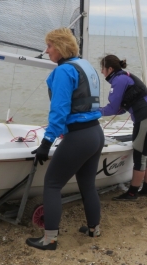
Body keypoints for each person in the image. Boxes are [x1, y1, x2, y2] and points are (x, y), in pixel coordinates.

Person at [25, 27, 104, 251]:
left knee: (51, 184)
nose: (47, 50)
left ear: (60, 47)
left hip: (79, 136)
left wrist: (46, 143)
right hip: (96, 134)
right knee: (88, 185)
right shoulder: (85, 66)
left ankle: (49, 239)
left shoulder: (63, 71)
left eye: (50, 46)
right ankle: (93, 229)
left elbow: (58, 111)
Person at [99, 54, 147, 201]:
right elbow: (121, 108)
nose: (101, 71)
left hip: (145, 119)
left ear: (110, 69)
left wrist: (93, 111)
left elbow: (113, 108)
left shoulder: (119, 80)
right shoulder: (124, 77)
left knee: (140, 156)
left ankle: (132, 193)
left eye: (102, 68)